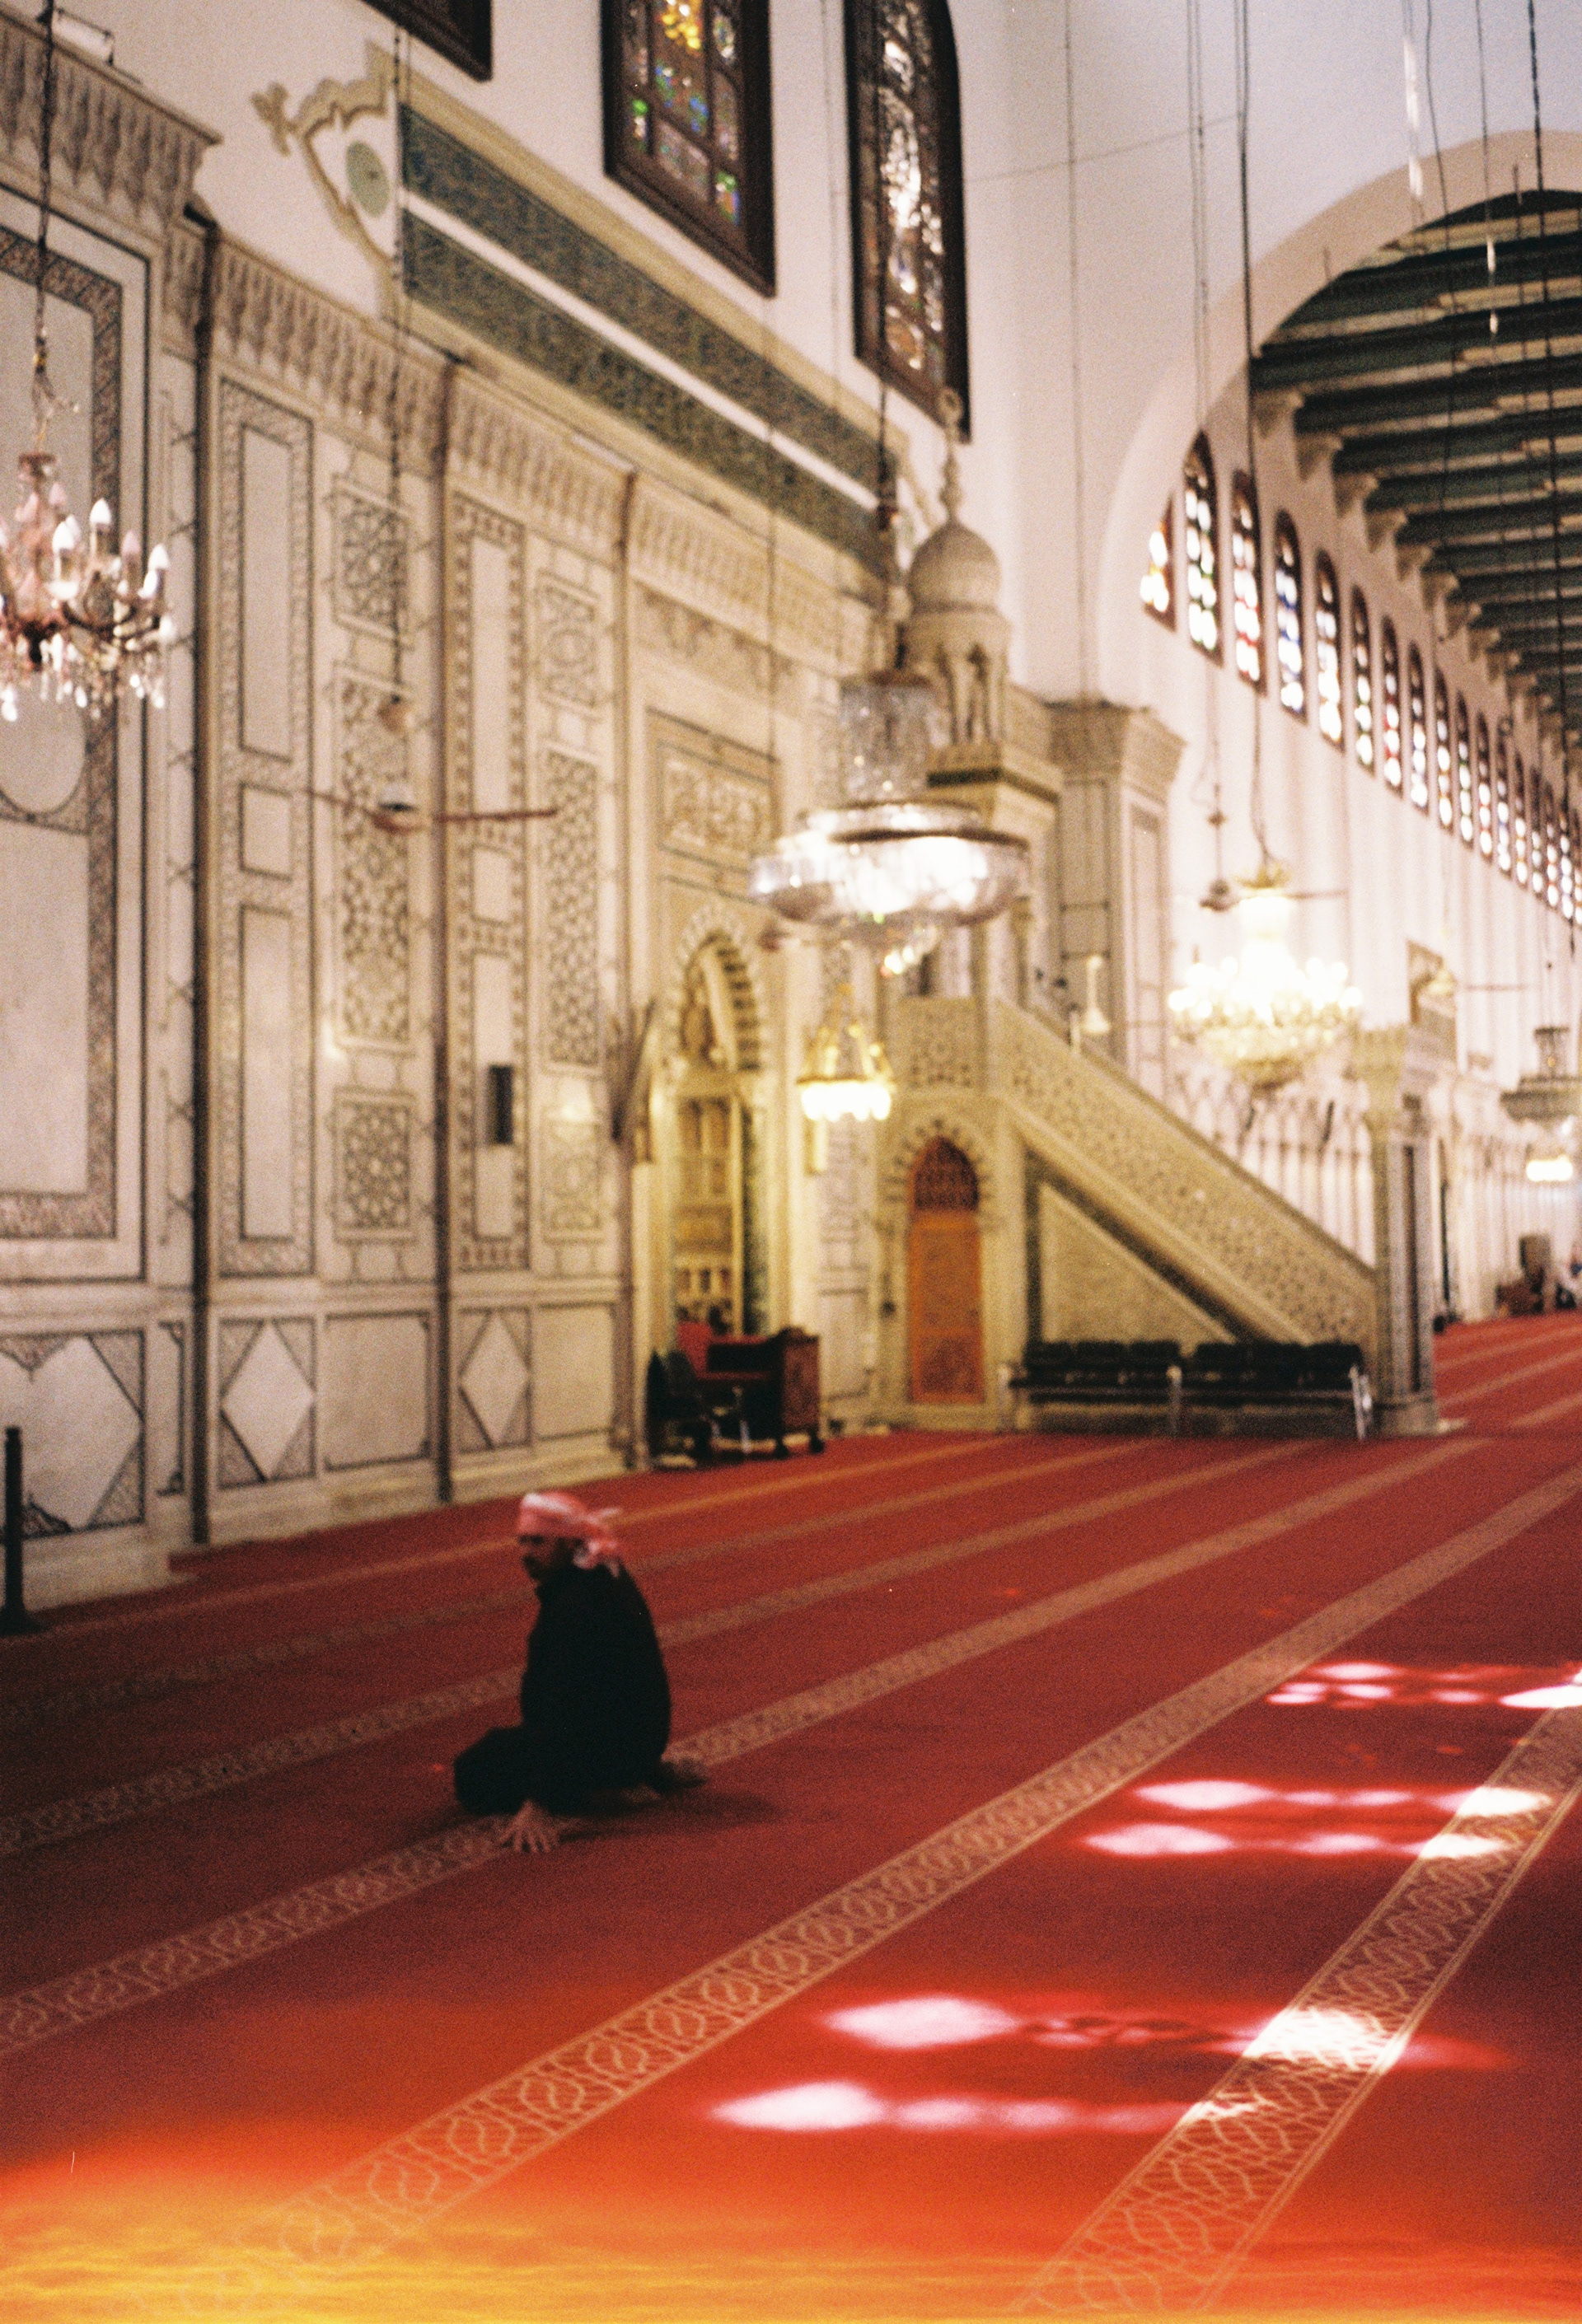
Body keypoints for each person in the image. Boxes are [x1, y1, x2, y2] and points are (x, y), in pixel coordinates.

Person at [452, 1489, 704, 1852]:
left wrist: (539, 1802)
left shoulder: (574, 1605)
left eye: (538, 1542)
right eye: (522, 1541)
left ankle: (599, 1789)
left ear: (569, 1543)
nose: (526, 1553)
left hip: (606, 1752)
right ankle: (640, 1776)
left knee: (474, 1771)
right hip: (639, 1745)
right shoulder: (605, 1572)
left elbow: (567, 1705)